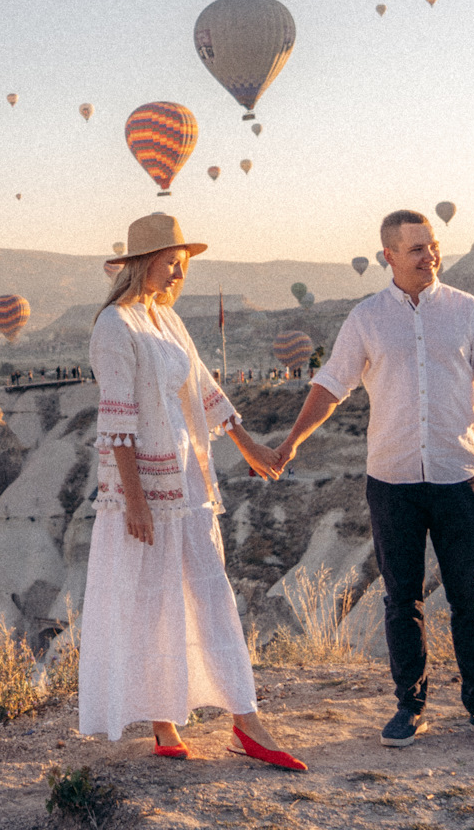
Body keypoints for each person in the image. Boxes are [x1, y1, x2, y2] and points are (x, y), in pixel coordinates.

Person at [275, 210, 474, 749]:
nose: (429, 255)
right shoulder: (366, 319)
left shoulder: (468, 311)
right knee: (401, 599)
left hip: (460, 475)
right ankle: (410, 707)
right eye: (416, 248)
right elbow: (331, 385)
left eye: (432, 244)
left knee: (469, 596)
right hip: (392, 481)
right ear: (387, 255)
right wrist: (294, 439)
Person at [78, 213, 305, 770]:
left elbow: (203, 389)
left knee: (207, 591)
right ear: (143, 261)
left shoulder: (165, 320)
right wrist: (133, 498)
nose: (181, 268)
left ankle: (244, 718)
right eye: (172, 258)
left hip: (186, 478)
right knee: (154, 597)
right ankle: (164, 720)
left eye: (183, 260)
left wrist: (251, 448)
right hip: (145, 488)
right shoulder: (116, 326)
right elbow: (117, 421)